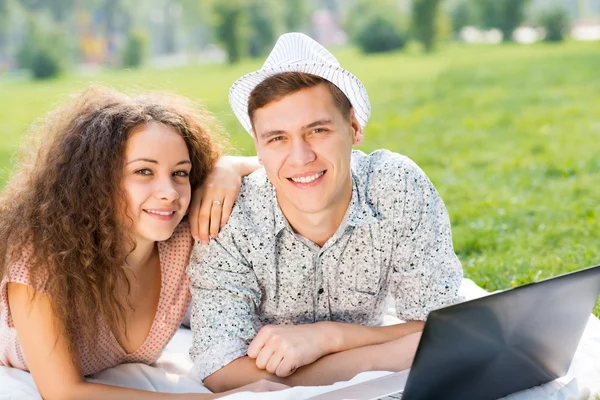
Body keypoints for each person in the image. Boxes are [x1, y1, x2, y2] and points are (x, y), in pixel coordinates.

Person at [187, 33, 464, 392]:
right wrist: (377, 358)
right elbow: (220, 367)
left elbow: (443, 327)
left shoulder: (396, 186)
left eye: (317, 131)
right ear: (257, 146)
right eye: (277, 138)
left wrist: (327, 338)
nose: (301, 157)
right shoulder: (231, 216)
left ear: (354, 127)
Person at [0, 86, 287, 399]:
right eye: (143, 171)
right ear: (94, 181)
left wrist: (228, 167)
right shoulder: (43, 258)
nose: (169, 191)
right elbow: (65, 392)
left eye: (180, 173)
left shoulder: (183, 238)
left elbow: (292, 169)